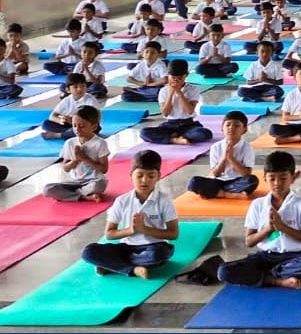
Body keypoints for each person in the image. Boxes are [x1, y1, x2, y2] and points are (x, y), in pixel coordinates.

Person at [217, 151, 301, 289]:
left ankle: (262, 276)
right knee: (224, 272)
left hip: (294, 257)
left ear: (293, 177)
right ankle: (277, 280)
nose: (277, 183)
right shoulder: (258, 204)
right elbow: (249, 242)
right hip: (265, 257)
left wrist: (282, 227)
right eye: (272, 178)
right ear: (265, 177)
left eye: (283, 178)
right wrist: (268, 229)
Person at [80, 150, 179, 278]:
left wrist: (144, 229)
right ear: (131, 175)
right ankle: (133, 269)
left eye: (151, 176)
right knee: (88, 252)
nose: (145, 180)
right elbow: (109, 234)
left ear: (158, 176)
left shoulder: (164, 200)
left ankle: (112, 265)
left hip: (154, 247)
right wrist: (131, 230)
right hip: (126, 248)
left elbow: (173, 234)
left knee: (159, 254)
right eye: (139, 175)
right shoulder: (122, 201)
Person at [185, 111, 259, 200]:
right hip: (218, 181)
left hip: (237, 181)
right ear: (222, 128)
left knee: (252, 181)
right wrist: (224, 159)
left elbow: (246, 174)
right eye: (228, 125)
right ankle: (227, 194)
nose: (231, 128)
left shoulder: (247, 148)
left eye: (236, 125)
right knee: (194, 182)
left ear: (244, 130)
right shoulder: (216, 147)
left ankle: (216, 192)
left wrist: (231, 159)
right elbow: (215, 173)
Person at [42, 106, 109, 201]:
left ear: (94, 127)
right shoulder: (70, 143)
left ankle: (71, 195)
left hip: (94, 180)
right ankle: (84, 196)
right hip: (75, 182)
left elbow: (104, 169)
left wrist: (85, 158)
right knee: (47, 189)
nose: (77, 129)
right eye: (74, 125)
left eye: (82, 126)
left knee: (99, 185)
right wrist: (75, 160)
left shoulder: (100, 143)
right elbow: (65, 168)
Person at [143, 60, 208, 144]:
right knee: (144, 132)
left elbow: (190, 111)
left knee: (204, 133)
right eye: (173, 77)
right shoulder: (163, 91)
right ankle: (175, 140)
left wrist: (179, 92)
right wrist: (170, 93)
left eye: (180, 78)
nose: (176, 81)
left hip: (188, 124)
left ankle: (174, 136)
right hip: (170, 124)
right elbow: (165, 113)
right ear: (168, 75)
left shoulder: (193, 89)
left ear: (186, 75)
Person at [40, 73, 101, 138]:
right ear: (68, 90)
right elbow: (52, 116)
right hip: (70, 126)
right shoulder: (67, 100)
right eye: (75, 87)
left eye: (83, 86)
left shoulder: (90, 99)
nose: (79, 89)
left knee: (91, 129)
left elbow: (97, 116)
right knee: (46, 124)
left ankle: (59, 135)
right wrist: (61, 120)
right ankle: (70, 133)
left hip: (85, 125)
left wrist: (74, 120)